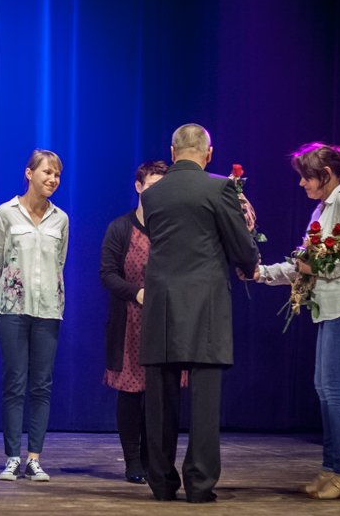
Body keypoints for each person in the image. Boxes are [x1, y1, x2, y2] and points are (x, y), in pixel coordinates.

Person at [239, 142, 340, 500]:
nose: (301, 183)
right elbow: (303, 264)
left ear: (326, 175)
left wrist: (314, 265)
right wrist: (261, 273)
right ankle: (332, 468)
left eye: (306, 177)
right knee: (325, 389)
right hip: (330, 308)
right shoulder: (322, 209)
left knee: (336, 390)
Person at [140, 124, 260, 503]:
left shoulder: (153, 193)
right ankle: (199, 485)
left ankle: (160, 483)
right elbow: (241, 244)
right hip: (205, 304)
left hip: (161, 304)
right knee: (205, 402)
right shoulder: (220, 187)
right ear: (208, 154)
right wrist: (248, 261)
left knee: (160, 401)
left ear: (173, 152)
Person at [100, 160, 191, 484]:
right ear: (138, 187)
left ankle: (157, 460)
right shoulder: (120, 228)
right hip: (130, 323)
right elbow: (107, 274)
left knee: (163, 395)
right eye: (151, 186)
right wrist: (137, 294)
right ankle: (133, 461)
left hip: (167, 322)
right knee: (131, 394)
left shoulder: (175, 228)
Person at [0, 150, 69, 482]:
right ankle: (11, 458)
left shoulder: (61, 218)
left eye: (57, 175)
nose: (52, 179)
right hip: (12, 310)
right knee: (14, 383)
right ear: (29, 173)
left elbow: (59, 262)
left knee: (42, 385)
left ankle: (34, 458)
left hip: (48, 310)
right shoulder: (6, 213)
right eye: (47, 172)